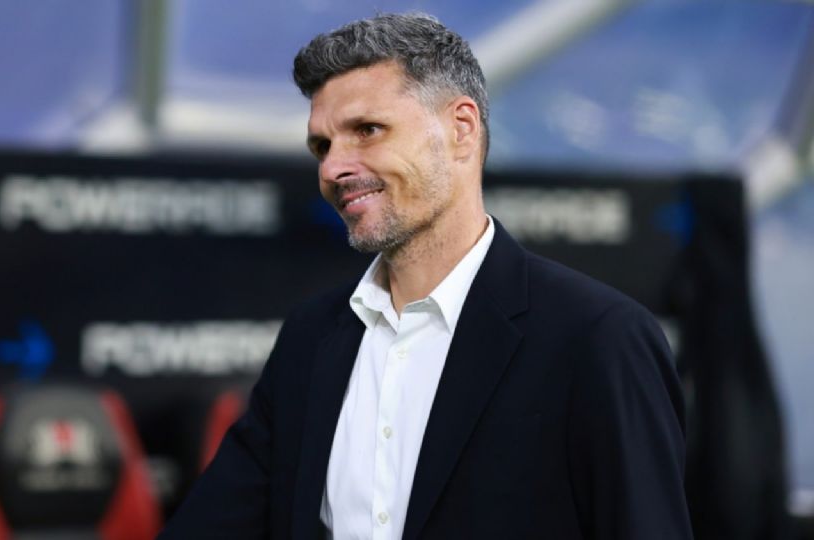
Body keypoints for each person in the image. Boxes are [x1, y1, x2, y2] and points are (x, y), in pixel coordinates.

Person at [158, 12, 692, 540]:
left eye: (367, 130)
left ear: (461, 129)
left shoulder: (599, 337)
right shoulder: (310, 338)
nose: (332, 168)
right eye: (322, 146)